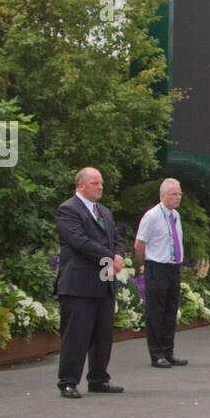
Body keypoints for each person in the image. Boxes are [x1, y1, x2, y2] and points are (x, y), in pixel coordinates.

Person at [55, 167, 124, 398]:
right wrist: (110, 257)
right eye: (95, 183)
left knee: (103, 334)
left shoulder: (104, 212)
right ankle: (68, 381)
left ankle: (98, 378)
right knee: (76, 335)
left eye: (101, 182)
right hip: (79, 284)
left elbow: (117, 239)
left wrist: (119, 255)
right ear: (81, 185)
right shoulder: (68, 210)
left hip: (104, 283)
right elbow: (80, 242)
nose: (100, 186)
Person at [134, 178, 186, 369]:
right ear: (162, 195)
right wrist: (145, 263)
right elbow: (140, 244)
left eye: (179, 194)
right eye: (174, 194)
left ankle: (168, 351)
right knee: (156, 311)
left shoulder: (176, 216)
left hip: (173, 267)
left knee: (170, 310)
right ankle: (156, 354)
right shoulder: (152, 216)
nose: (178, 197)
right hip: (157, 266)